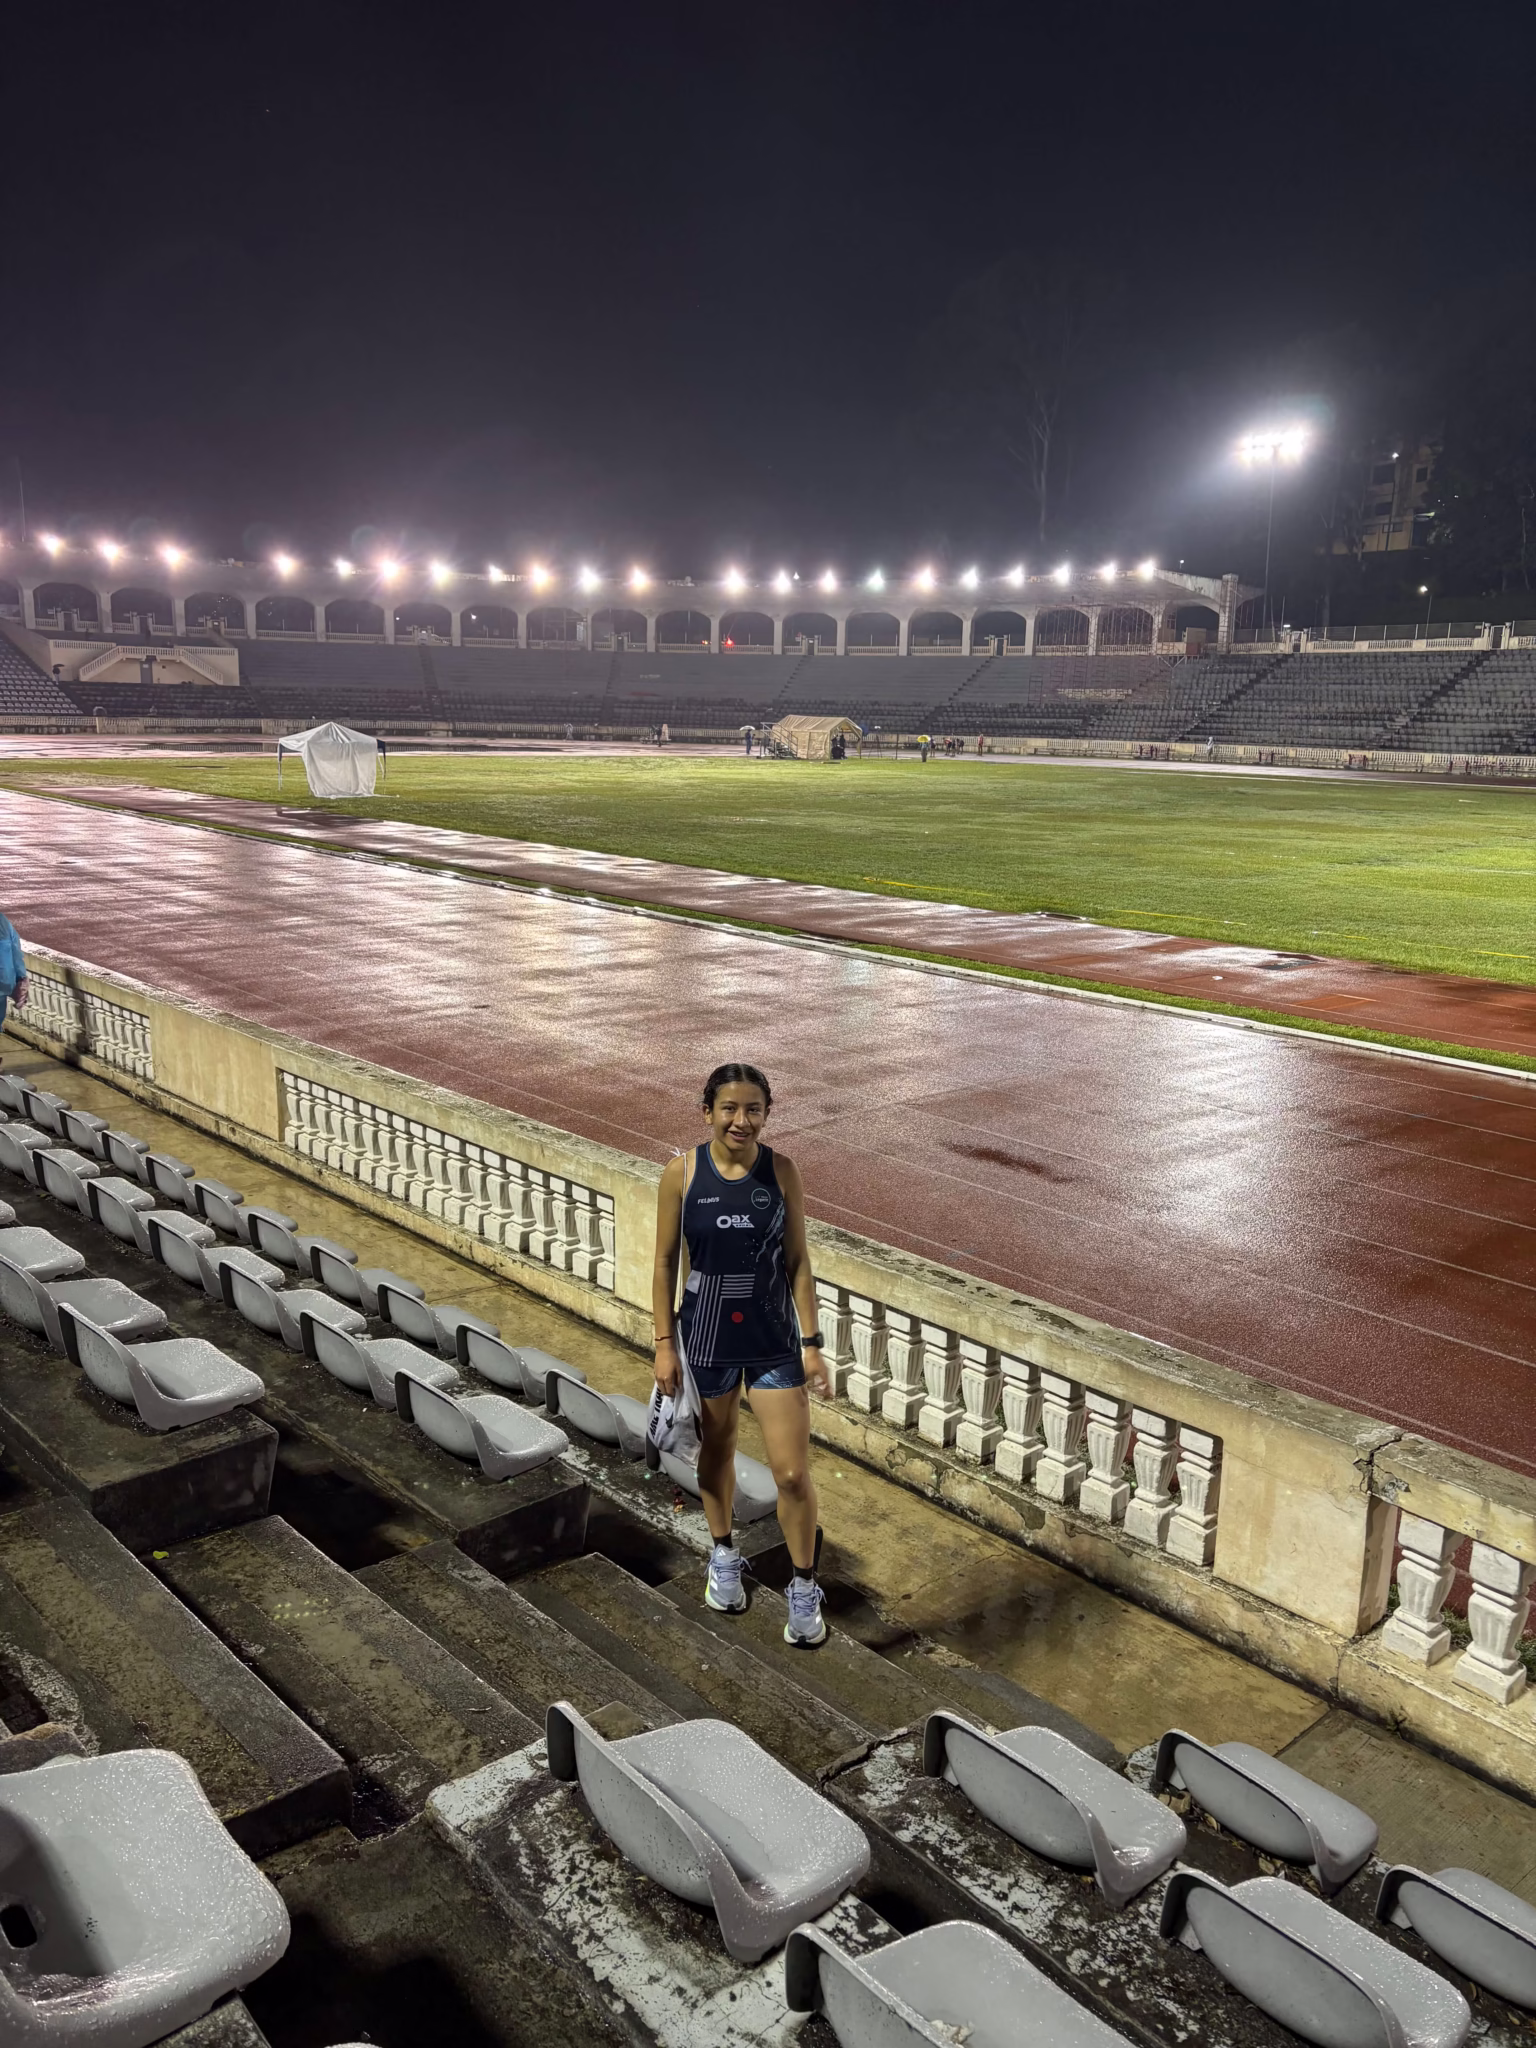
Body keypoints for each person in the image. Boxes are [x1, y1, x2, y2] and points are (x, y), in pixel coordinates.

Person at [652, 1062, 830, 1647]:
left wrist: (811, 1345)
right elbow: (664, 1264)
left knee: (791, 1472)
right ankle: (724, 1555)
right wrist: (662, 1345)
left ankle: (804, 1587)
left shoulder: (782, 1172)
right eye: (729, 1108)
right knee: (717, 1452)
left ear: (766, 1114)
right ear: (707, 1112)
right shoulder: (681, 1174)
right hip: (704, 1340)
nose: (741, 1120)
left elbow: (798, 1262)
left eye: (753, 1109)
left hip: (773, 1340)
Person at [0, 915, 29, 1056]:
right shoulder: (3, 923)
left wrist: (20, 979)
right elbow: (15, 952)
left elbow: (15, 951)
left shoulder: (3, 923)